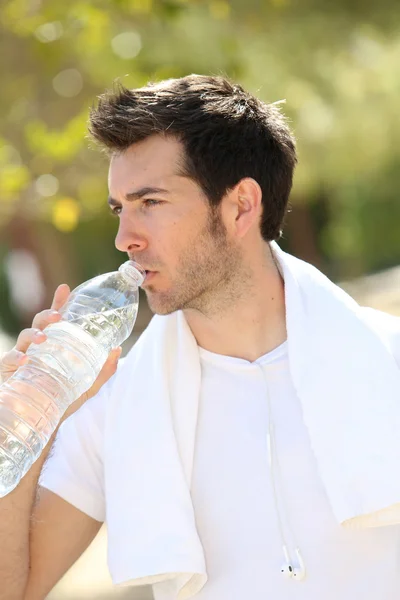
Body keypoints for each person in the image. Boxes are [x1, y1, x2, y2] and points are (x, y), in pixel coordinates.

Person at [1, 74, 400, 600]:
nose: (125, 238)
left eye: (151, 202)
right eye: (121, 208)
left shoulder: (387, 359)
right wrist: (28, 423)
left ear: (240, 206)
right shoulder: (115, 407)